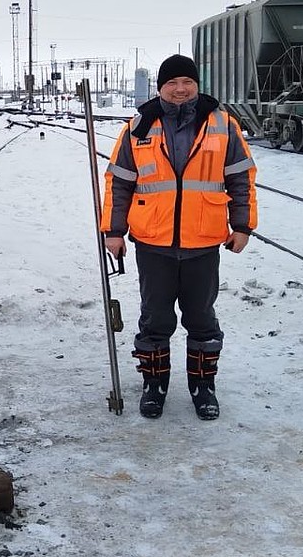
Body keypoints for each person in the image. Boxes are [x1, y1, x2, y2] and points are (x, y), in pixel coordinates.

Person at [100, 54, 257, 420]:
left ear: (197, 84)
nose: (180, 89)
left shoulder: (223, 125)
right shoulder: (139, 127)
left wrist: (243, 226)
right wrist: (113, 230)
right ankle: (154, 385)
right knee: (155, 318)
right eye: (172, 83)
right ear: (161, 87)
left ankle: (203, 387)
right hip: (153, 241)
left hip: (203, 241)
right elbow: (119, 182)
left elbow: (241, 178)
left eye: (187, 81)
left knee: (201, 317)